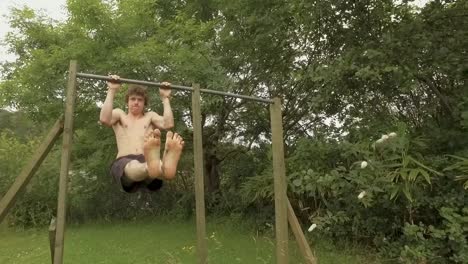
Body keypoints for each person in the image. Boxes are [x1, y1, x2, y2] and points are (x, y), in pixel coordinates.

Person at [99, 75, 184, 193]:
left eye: (140, 100)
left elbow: (168, 124)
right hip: (125, 161)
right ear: (127, 102)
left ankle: (160, 166)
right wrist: (112, 89)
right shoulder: (119, 115)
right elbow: (104, 119)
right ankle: (155, 166)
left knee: (153, 166)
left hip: (146, 158)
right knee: (136, 165)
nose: (136, 102)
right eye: (133, 99)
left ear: (144, 103)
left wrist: (165, 98)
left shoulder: (150, 116)